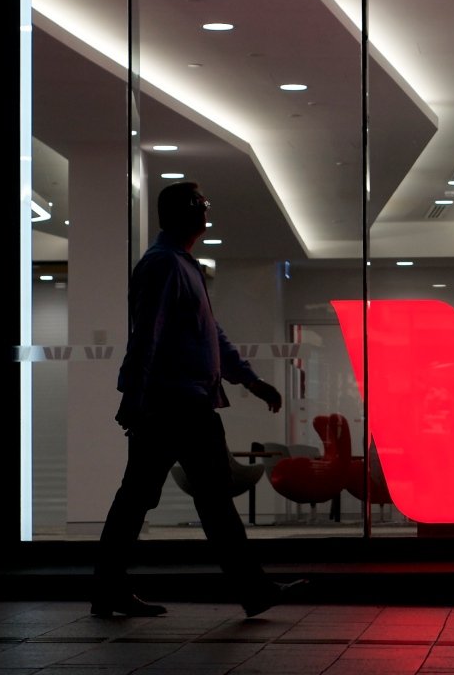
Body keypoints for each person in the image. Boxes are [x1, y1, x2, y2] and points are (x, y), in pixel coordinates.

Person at [91, 181, 302, 618]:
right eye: (202, 205)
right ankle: (252, 589)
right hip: (175, 406)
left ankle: (110, 590)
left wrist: (250, 380)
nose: (207, 212)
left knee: (153, 497)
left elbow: (212, 337)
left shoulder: (182, 266)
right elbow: (146, 335)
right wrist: (134, 395)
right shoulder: (164, 266)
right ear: (184, 213)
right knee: (179, 498)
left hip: (182, 403)